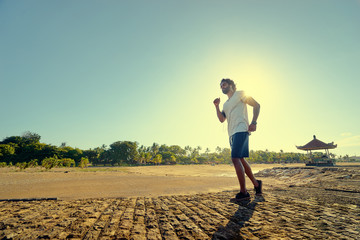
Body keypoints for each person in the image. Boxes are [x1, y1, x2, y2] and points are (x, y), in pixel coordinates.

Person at [213, 78, 262, 201]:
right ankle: (256, 184)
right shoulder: (226, 104)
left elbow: (256, 105)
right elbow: (221, 119)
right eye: (221, 86)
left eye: (224, 84)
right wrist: (217, 107)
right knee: (240, 159)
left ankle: (243, 192)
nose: (222, 87)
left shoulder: (240, 94)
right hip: (231, 134)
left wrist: (254, 122)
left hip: (241, 129)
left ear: (231, 85)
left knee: (235, 158)